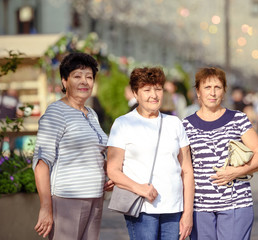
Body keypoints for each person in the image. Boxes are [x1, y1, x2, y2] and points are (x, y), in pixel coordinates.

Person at [32, 52, 114, 239]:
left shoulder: (91, 114)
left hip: (94, 197)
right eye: (77, 76)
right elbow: (41, 162)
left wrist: (108, 172)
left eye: (89, 77)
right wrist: (46, 208)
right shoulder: (56, 112)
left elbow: (95, 152)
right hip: (68, 199)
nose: (84, 82)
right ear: (64, 81)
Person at [106, 67, 194, 240]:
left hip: (174, 209)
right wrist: (140, 188)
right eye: (146, 90)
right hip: (142, 208)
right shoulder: (123, 124)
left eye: (158, 89)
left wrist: (188, 213)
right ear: (135, 93)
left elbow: (187, 170)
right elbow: (113, 170)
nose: (153, 95)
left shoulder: (175, 123)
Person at [182, 67, 258, 240]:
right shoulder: (185, 125)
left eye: (217, 87)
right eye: (207, 88)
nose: (212, 93)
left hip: (236, 204)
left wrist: (236, 172)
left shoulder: (238, 119)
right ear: (198, 92)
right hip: (200, 208)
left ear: (224, 91)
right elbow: (184, 169)